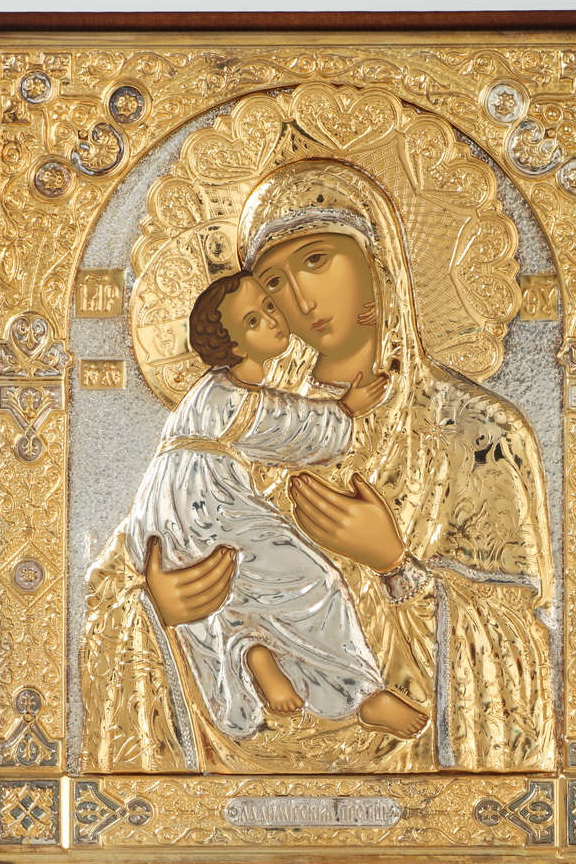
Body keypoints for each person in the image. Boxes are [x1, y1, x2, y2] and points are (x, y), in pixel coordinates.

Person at [81, 159, 556, 775]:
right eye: (273, 284)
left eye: (316, 260)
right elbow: (109, 591)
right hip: (231, 774)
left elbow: (524, 649)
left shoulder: (481, 432)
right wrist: (158, 609)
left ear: (377, 263)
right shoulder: (244, 420)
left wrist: (396, 565)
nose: (301, 300)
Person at [118, 270, 425, 741]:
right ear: (233, 346)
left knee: (232, 594)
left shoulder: (212, 394)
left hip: (169, 512)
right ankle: (360, 694)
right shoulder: (228, 397)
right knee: (314, 581)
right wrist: (346, 411)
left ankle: (253, 653)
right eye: (254, 320)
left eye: (267, 305)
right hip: (207, 504)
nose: (275, 318)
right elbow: (286, 424)